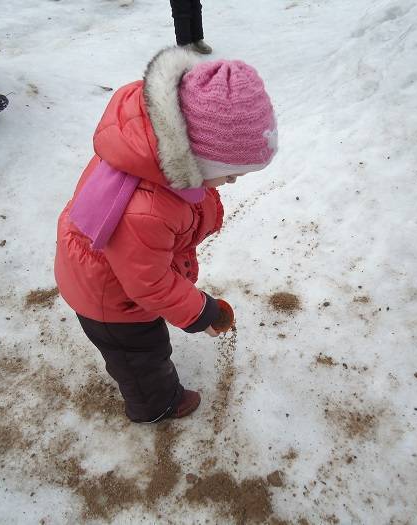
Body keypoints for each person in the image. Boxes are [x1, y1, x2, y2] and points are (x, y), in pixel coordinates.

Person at [54, 47, 278, 422]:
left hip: (118, 275)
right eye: (230, 173)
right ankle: (155, 405)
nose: (233, 182)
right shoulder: (146, 209)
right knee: (141, 358)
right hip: (111, 300)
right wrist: (202, 312)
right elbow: (149, 284)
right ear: (195, 159)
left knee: (141, 345)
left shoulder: (152, 159)